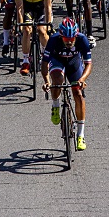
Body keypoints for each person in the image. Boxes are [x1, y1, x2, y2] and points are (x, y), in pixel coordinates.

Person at [41, 17, 93, 151]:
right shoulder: (53, 39)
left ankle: (81, 135)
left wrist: (82, 80)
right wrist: (47, 81)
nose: (69, 43)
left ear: (76, 36)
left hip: (74, 63)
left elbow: (88, 64)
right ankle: (55, 105)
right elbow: (45, 63)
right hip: (57, 61)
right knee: (57, 81)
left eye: (71, 40)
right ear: (61, 36)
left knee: (78, 93)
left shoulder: (82, 39)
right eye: (66, 40)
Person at [15, 0, 54, 76]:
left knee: (42, 31)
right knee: (27, 31)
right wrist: (20, 26)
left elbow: (48, 7)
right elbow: (19, 8)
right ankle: (26, 60)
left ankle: (44, 55)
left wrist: (48, 25)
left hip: (41, 7)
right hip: (27, 7)